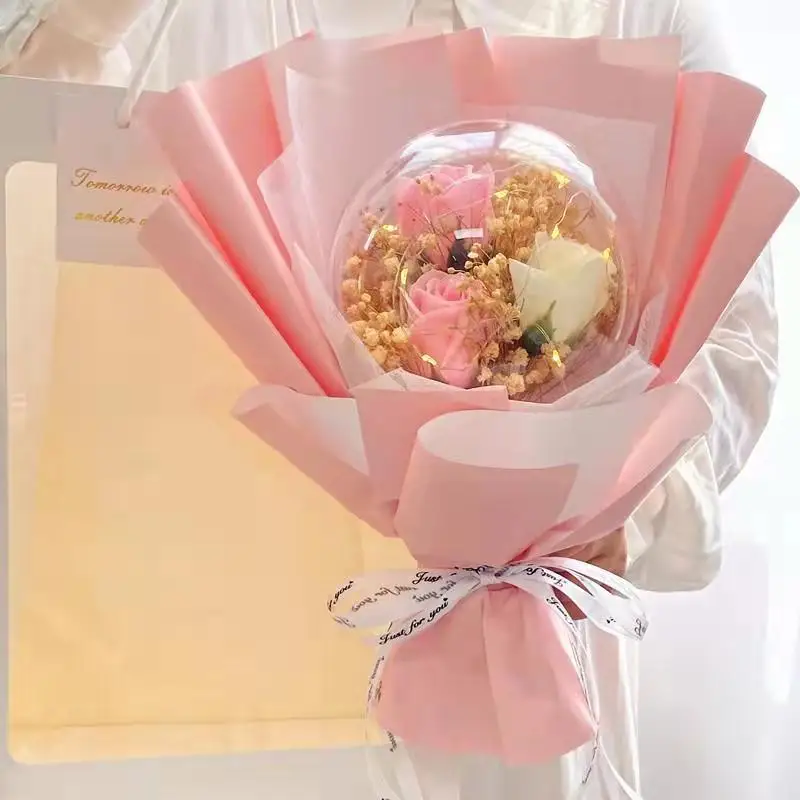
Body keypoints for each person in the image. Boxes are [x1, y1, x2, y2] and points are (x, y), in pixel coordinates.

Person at [1, 1, 776, 797]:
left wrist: (620, 501)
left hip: (516, 667)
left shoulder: (640, 13)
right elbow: (29, 231)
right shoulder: (168, 19)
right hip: (210, 637)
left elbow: (738, 343)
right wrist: (85, 28)